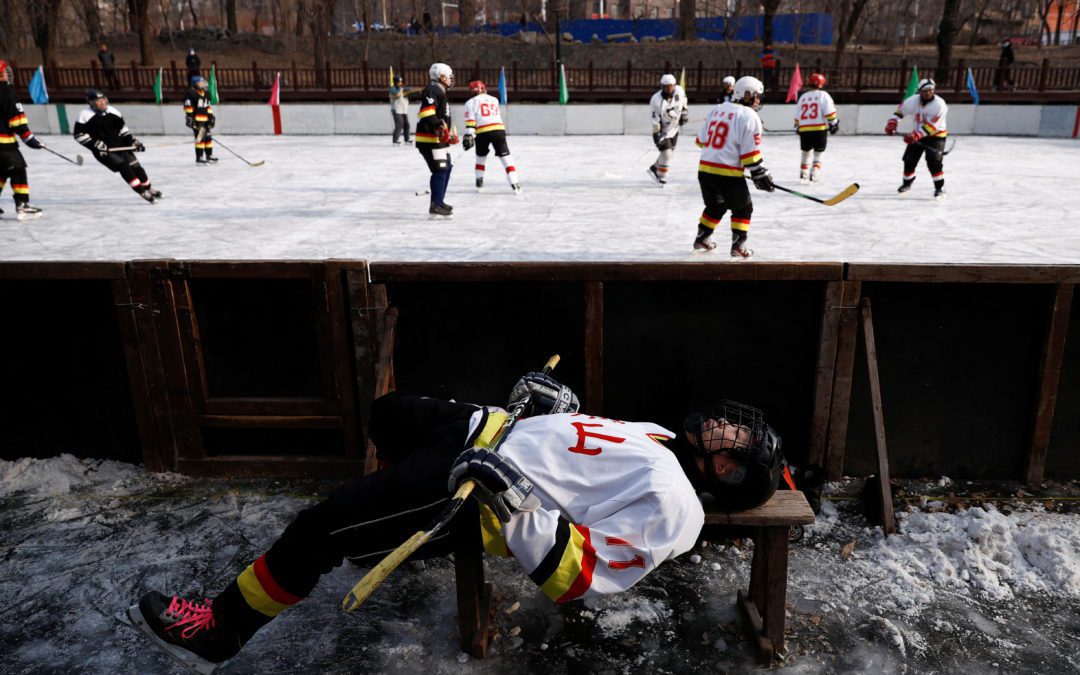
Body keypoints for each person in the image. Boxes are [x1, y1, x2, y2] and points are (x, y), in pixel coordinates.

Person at [126, 372, 785, 673]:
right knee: (387, 412)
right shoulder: (660, 436)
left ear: (724, 472)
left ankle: (220, 629)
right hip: (482, 427)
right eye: (737, 423)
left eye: (737, 441)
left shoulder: (678, 504)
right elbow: (578, 455)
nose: (726, 427)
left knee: (317, 528)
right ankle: (387, 527)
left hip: (469, 486)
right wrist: (553, 409)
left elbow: (581, 576)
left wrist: (515, 498)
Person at [693, 75, 774, 257]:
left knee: (717, 205)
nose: (758, 100)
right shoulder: (749, 116)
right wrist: (759, 173)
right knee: (743, 207)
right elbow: (750, 155)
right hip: (727, 174)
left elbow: (700, 141)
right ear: (747, 95)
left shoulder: (717, 109)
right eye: (756, 96)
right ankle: (738, 247)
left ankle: (701, 239)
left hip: (705, 171)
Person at [74, 89, 161, 203]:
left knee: (137, 168)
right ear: (91, 103)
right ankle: (142, 192)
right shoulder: (84, 115)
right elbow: (78, 135)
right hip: (105, 151)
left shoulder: (113, 111)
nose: (102, 103)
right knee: (124, 167)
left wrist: (132, 142)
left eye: (103, 100)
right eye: (98, 101)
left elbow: (123, 130)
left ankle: (149, 188)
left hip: (121, 145)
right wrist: (95, 145)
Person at [885, 78, 948, 199]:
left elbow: (931, 127)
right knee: (909, 160)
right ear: (919, 91)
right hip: (917, 134)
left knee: (934, 161)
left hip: (936, 136)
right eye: (925, 90)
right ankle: (907, 183)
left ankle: (939, 187)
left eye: (931, 90)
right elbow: (899, 112)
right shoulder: (912, 101)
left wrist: (916, 135)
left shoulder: (940, 105)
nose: (928, 93)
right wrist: (892, 123)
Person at [0, 59, 44, 220]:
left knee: (3, 171)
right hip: (4, 144)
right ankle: (23, 206)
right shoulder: (7, 92)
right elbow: (16, 120)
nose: (7, 74)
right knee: (17, 169)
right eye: (4, 71)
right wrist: (29, 139)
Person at [416, 63, 458, 218]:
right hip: (430, 139)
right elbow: (426, 112)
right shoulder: (433, 89)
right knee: (440, 169)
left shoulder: (439, 91)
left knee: (447, 168)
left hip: (436, 139)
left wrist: (447, 133)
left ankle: (438, 201)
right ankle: (436, 204)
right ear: (440, 76)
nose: (451, 79)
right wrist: (439, 127)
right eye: (448, 76)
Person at [463, 80, 520, 193]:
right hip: (498, 129)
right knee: (505, 157)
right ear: (484, 88)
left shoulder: (470, 102)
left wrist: (469, 135)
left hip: (482, 131)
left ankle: (479, 180)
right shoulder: (494, 100)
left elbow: (471, 122)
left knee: (480, 156)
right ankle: (514, 182)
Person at [793, 72, 838, 184]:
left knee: (805, 152)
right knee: (819, 152)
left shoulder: (803, 96)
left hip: (804, 129)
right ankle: (815, 173)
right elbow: (829, 111)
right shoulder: (823, 95)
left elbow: (797, 114)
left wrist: (797, 126)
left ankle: (803, 173)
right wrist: (833, 123)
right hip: (819, 129)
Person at [646, 73, 689, 186]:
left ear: (674, 85)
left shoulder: (679, 91)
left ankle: (654, 168)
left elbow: (684, 101)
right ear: (662, 86)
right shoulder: (656, 100)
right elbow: (655, 120)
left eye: (671, 86)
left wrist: (684, 113)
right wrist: (657, 135)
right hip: (663, 131)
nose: (669, 88)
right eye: (666, 86)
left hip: (674, 128)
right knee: (667, 154)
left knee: (670, 153)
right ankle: (661, 176)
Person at [183, 76, 217, 164]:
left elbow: (207, 106)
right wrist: (189, 117)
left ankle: (209, 155)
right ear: (195, 84)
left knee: (208, 137)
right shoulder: (191, 93)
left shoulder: (206, 93)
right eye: (200, 82)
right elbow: (188, 106)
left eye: (203, 82)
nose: (203, 84)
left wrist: (211, 117)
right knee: (200, 138)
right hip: (197, 120)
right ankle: (199, 156)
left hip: (206, 120)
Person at [388, 75, 413, 145]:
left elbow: (407, 94)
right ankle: (395, 140)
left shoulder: (402, 88)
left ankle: (407, 139)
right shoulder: (393, 89)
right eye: (399, 81)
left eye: (401, 81)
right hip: (396, 109)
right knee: (399, 124)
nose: (400, 83)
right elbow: (397, 94)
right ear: (395, 82)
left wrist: (408, 91)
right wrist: (401, 89)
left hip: (404, 110)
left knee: (406, 124)